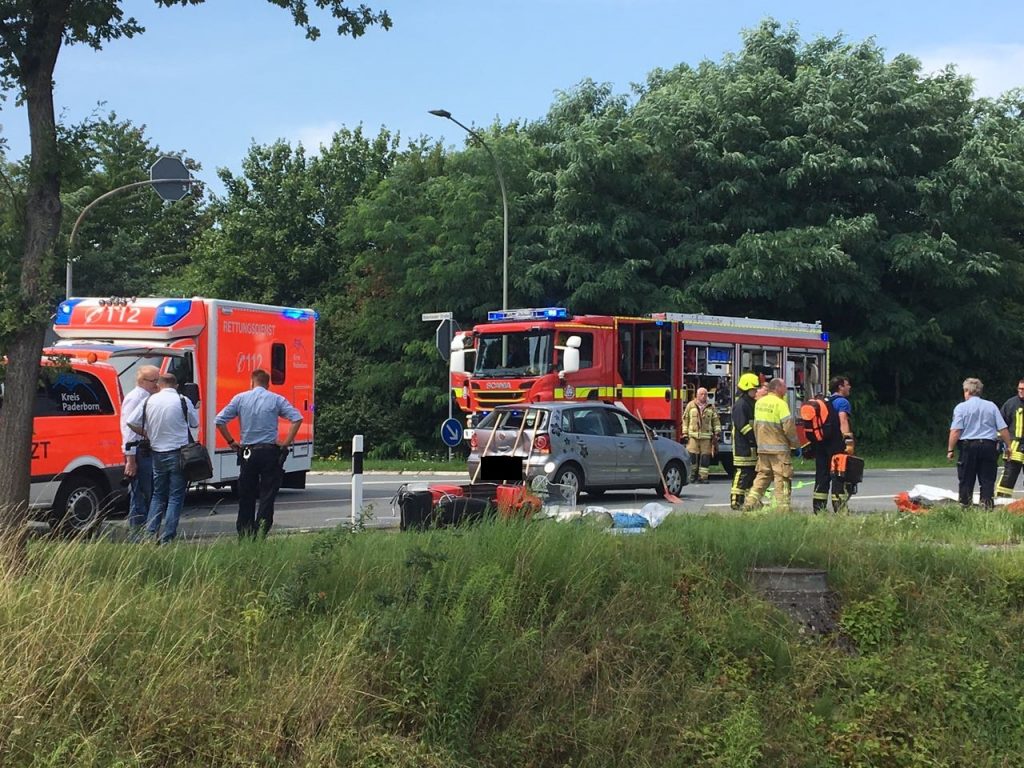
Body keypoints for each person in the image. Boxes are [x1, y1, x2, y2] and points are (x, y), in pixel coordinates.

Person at [216, 368, 303, 538]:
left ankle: (245, 532)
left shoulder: (240, 399)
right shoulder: (276, 399)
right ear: (268, 384)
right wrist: (285, 444)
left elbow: (219, 421)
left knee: (246, 493)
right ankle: (261, 530)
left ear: (252, 382)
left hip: (248, 451)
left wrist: (231, 442)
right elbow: (297, 418)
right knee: (267, 493)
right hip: (270, 451)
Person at [132, 373, 198, 544]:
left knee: (158, 495)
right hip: (179, 453)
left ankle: (149, 534)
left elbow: (131, 421)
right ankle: (167, 537)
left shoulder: (148, 401)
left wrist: (148, 434)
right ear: (175, 386)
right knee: (175, 496)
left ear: (159, 385)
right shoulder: (183, 400)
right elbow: (195, 423)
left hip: (157, 453)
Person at [947, 377, 1012, 508]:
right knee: (987, 480)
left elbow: (955, 431)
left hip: (968, 447)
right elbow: (1003, 429)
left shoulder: (961, 408)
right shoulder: (991, 406)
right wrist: (1008, 446)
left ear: (967, 391)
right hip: (989, 447)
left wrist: (950, 449)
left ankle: (966, 507)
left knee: (966, 479)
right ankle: (987, 507)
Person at [742, 378, 800, 512]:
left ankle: (750, 503)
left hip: (763, 449)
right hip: (779, 450)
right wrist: (796, 445)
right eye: (784, 386)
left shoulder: (759, 403)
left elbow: (756, 425)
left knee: (763, 476)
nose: (786, 389)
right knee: (782, 478)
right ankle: (783, 508)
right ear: (777, 388)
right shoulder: (781, 404)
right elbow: (788, 427)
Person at [120, 365, 160, 536]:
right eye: (154, 381)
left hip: (142, 451)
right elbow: (129, 430)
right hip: (138, 453)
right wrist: (130, 460)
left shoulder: (146, 397)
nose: (157, 384)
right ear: (143, 381)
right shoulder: (136, 399)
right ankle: (137, 534)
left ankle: (143, 532)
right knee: (141, 494)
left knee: (146, 492)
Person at [812, 376, 856, 514]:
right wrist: (848, 440)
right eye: (847, 385)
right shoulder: (842, 402)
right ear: (840, 387)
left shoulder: (825, 401)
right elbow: (843, 419)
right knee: (839, 475)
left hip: (821, 443)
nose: (849, 387)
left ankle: (819, 509)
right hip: (835, 444)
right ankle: (840, 509)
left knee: (822, 475)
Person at [729, 373, 760, 509]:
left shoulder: (751, 403)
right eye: (754, 389)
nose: (756, 391)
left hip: (751, 445)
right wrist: (753, 439)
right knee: (742, 472)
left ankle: (748, 501)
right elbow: (743, 426)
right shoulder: (741, 405)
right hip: (743, 445)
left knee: (751, 474)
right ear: (747, 388)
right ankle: (735, 501)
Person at [996, 378, 1024, 499]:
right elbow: (1001, 425)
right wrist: (999, 442)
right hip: (1013, 447)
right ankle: (1002, 502)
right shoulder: (1010, 404)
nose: (1021, 391)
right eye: (1020, 388)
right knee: (1008, 476)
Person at [685, 387, 721, 483]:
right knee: (692, 457)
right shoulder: (690, 406)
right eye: (701, 394)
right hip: (693, 436)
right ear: (697, 395)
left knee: (705, 457)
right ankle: (692, 476)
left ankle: (703, 477)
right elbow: (685, 420)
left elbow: (716, 421)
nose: (703, 396)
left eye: (705, 394)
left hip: (706, 437)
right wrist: (685, 433)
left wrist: (717, 432)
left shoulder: (711, 407)